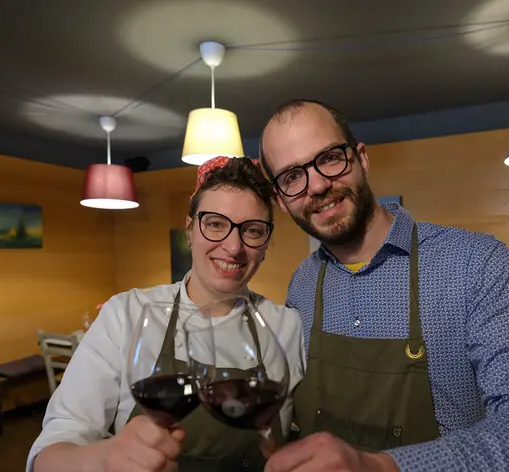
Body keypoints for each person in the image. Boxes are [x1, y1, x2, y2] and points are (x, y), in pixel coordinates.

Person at [257, 99, 509, 471]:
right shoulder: (302, 282)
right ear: (281, 200)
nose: (316, 185)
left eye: (329, 158)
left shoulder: (476, 264)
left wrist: (382, 468)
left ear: (361, 159)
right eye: (292, 177)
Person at [28, 156, 305, 472]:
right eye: (215, 224)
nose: (233, 247)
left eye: (252, 230)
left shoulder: (287, 326)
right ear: (190, 230)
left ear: (266, 243)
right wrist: (104, 459)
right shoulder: (126, 315)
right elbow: (49, 455)